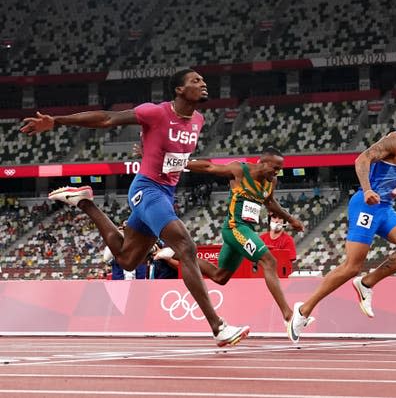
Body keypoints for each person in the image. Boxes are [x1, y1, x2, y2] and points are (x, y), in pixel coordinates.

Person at [20, 69, 249, 347]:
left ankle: (85, 203)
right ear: (178, 89)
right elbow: (107, 118)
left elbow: (174, 158)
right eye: (195, 80)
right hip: (147, 190)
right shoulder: (155, 112)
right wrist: (56, 120)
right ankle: (219, 327)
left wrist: (156, 152)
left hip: (166, 193)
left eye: (203, 79)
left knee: (128, 259)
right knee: (186, 248)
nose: (203, 83)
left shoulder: (198, 120)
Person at [287, 109, 396, 343]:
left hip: (384, 209)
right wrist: (367, 189)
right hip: (366, 205)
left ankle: (366, 283)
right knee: (352, 265)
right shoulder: (395, 140)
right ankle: (303, 311)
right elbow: (361, 159)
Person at [155, 147, 310, 326]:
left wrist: (291, 220)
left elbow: (269, 202)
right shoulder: (239, 170)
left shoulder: (271, 181)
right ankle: (289, 316)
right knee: (270, 261)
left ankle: (175, 254)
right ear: (262, 163)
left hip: (246, 230)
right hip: (235, 228)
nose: (277, 173)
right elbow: (207, 168)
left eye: (279, 170)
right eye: (275, 168)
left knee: (220, 277)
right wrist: (168, 161)